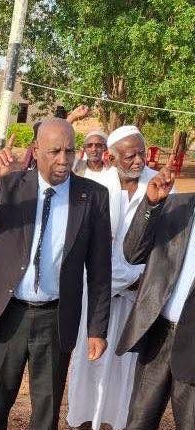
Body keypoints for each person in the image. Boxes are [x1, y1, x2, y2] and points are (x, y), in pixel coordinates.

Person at [0, 118, 112, 430]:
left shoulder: (93, 196)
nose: (64, 159)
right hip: (8, 314)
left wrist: (97, 329)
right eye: (54, 151)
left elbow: (99, 269)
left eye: (70, 151)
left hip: (56, 318)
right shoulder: (11, 185)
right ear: (36, 150)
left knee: (46, 409)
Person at [67, 126, 159, 430]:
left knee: (125, 367)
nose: (138, 161)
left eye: (141, 153)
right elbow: (88, 249)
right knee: (88, 364)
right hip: (95, 297)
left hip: (137, 299)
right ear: (112, 156)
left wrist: (141, 281)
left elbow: (163, 245)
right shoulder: (94, 189)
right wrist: (128, 278)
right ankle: (83, 422)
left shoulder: (158, 186)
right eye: (130, 156)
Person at [116, 149, 195, 428]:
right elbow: (132, 252)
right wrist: (151, 205)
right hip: (158, 334)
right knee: (139, 421)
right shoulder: (175, 206)